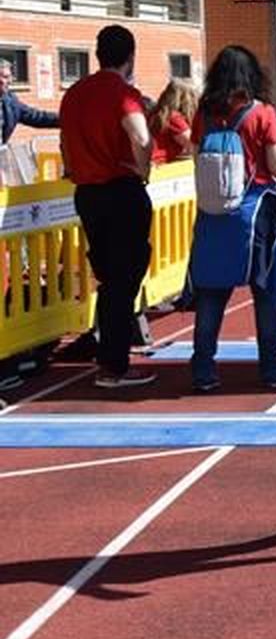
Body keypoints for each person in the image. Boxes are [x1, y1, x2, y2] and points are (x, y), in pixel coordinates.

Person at [186, 47, 276, 393]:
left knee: (211, 293)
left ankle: (203, 368)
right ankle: (272, 367)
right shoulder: (262, 113)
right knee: (266, 291)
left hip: (213, 214)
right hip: (255, 210)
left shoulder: (204, 114)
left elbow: (196, 158)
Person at [59, 25, 158, 389]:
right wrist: (143, 169)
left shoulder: (74, 94)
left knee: (110, 276)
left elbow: (64, 141)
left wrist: (73, 168)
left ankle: (109, 353)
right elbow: (141, 137)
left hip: (87, 193)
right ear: (130, 57)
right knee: (124, 278)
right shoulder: (123, 93)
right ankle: (113, 365)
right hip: (120, 191)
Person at [0, 57, 59, 145]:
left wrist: (68, 118)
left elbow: (36, 117)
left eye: (10, 77)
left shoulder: (10, 101)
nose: (10, 81)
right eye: (6, 77)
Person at [147, 78, 199, 165]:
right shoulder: (174, 118)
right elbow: (194, 146)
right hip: (161, 166)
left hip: (153, 164)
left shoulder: (157, 113)